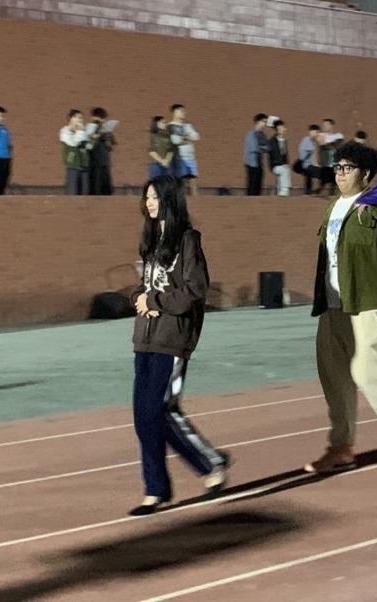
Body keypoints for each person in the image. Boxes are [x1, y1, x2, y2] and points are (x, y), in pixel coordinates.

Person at [305, 142, 377, 473]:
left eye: (348, 168)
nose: (340, 174)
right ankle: (341, 446)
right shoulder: (332, 206)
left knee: (367, 370)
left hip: (367, 302)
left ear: (366, 174)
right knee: (334, 376)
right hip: (332, 304)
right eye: (337, 167)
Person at [128, 175, 229, 516]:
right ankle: (156, 489)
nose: (149, 203)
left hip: (172, 338)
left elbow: (194, 291)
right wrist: (138, 297)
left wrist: (154, 300)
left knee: (160, 411)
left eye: (155, 197)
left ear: (170, 199)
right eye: (147, 197)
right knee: (144, 417)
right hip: (144, 337)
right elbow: (144, 284)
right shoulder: (150, 240)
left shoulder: (187, 240)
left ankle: (209, 465)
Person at [168, 104, 201, 197]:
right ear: (174, 112)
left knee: (192, 181)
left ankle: (196, 201)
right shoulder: (171, 126)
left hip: (190, 158)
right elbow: (175, 140)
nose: (183, 113)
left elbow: (196, 137)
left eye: (184, 111)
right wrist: (186, 138)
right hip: (179, 158)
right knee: (180, 182)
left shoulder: (188, 126)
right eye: (181, 111)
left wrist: (184, 138)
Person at [60, 109, 91, 195]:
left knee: (84, 193)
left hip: (84, 166)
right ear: (71, 118)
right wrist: (80, 131)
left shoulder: (83, 131)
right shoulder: (65, 131)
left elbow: (88, 146)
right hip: (73, 167)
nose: (80, 120)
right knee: (73, 193)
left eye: (81, 118)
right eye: (78, 117)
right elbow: (73, 143)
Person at [86, 107, 116, 196]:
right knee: (94, 183)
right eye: (98, 117)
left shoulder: (106, 131)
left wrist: (108, 136)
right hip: (93, 161)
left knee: (105, 183)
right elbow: (89, 144)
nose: (100, 120)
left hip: (104, 161)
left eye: (102, 118)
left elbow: (111, 145)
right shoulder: (89, 128)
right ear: (92, 117)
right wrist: (97, 132)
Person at [244, 113, 269, 196]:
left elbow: (268, 147)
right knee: (252, 185)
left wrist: (261, 147)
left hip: (259, 163)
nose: (265, 124)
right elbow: (254, 148)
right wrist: (262, 148)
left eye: (265, 122)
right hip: (251, 163)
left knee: (258, 184)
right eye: (263, 121)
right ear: (258, 121)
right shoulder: (251, 134)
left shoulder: (262, 135)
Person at [295, 124, 321, 195]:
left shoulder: (309, 141)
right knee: (319, 173)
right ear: (311, 132)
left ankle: (308, 191)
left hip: (305, 164)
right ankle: (315, 190)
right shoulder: (308, 141)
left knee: (309, 176)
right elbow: (313, 156)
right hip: (304, 165)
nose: (317, 134)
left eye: (317, 132)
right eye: (316, 132)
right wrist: (316, 165)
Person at [269, 119, 292, 196]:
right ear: (278, 129)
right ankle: (284, 190)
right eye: (282, 127)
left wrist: (286, 163)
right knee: (284, 170)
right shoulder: (273, 141)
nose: (284, 129)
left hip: (282, 165)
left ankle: (280, 191)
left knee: (286, 170)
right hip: (275, 165)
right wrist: (282, 164)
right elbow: (275, 155)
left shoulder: (284, 141)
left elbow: (285, 155)